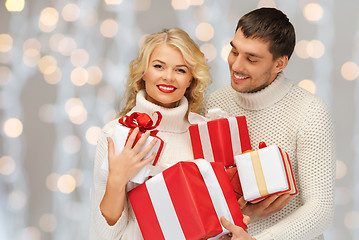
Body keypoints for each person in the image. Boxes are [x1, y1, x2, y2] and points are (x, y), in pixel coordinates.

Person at [204, 8, 336, 240]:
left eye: (251, 59)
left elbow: (320, 209)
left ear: (279, 63)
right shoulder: (215, 102)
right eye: (234, 51)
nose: (236, 66)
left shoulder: (309, 111)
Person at [89, 28, 212, 239]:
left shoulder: (204, 132)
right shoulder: (116, 133)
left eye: (181, 70)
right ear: (143, 72)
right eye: (158, 66)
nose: (168, 77)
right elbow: (104, 233)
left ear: (191, 79)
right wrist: (117, 180)